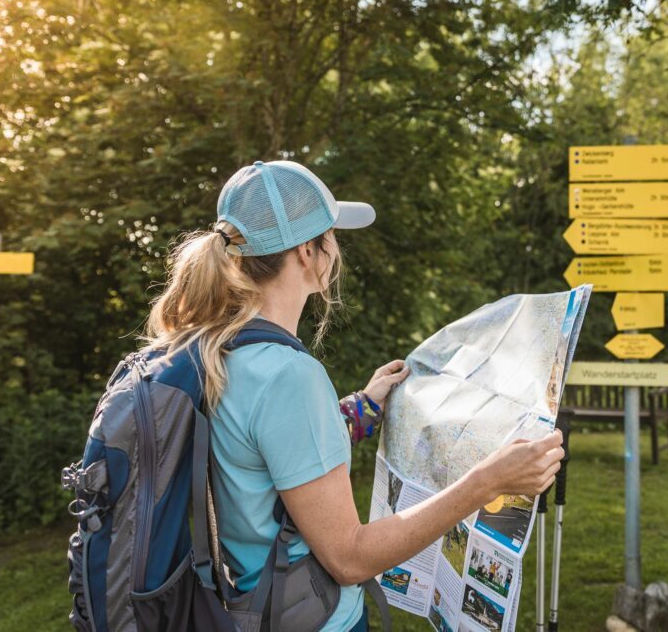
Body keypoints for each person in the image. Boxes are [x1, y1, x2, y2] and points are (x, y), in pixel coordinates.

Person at [142, 160, 564, 631]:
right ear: (308, 252)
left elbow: (266, 450)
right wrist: (487, 481)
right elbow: (348, 558)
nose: (336, 248)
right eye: (331, 234)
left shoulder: (214, 347)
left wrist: (363, 406)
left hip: (249, 608)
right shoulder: (288, 376)